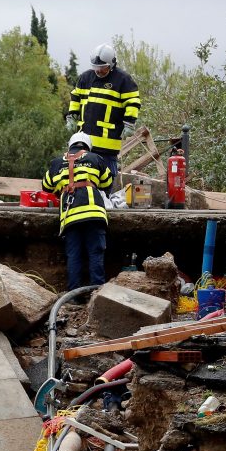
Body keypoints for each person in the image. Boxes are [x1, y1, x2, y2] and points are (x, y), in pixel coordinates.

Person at [42, 131, 113, 289]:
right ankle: (97, 294)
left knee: (74, 255)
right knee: (96, 252)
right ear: (88, 146)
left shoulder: (55, 163)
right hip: (94, 213)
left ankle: (74, 296)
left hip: (70, 216)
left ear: (70, 145)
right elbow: (107, 182)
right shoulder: (95, 158)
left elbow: (46, 186)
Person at [65, 43, 142, 187]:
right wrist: (71, 116)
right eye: (96, 67)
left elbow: (133, 102)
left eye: (102, 68)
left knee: (105, 180)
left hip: (108, 142)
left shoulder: (123, 80)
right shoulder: (85, 78)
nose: (98, 71)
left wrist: (130, 123)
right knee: (82, 179)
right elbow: (75, 97)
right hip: (84, 142)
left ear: (112, 64)